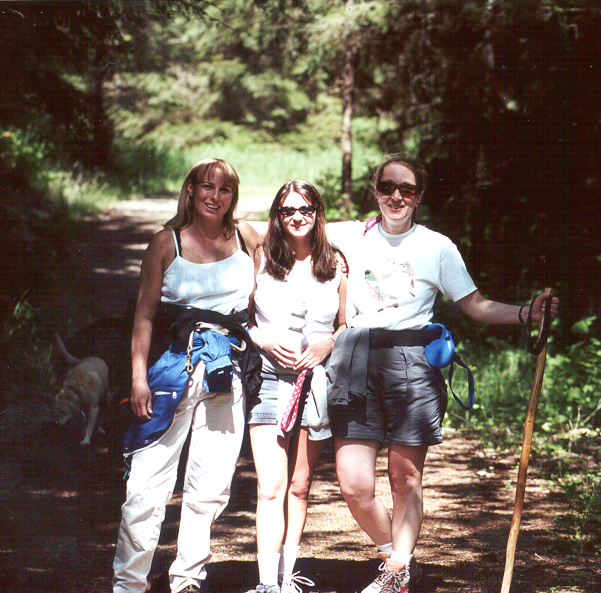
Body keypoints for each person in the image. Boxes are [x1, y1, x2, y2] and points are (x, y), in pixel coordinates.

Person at [325, 155, 559, 593]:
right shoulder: (349, 235)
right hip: (355, 357)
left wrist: (527, 314)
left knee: (404, 476)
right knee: (354, 482)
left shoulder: (437, 246)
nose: (396, 196)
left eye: (407, 189)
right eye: (388, 186)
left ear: (419, 197)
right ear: (375, 190)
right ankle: (395, 553)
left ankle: (396, 572)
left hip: (412, 362)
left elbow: (474, 304)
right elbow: (285, 228)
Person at [113, 158, 262, 593]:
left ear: (233, 197)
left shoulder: (246, 236)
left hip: (226, 370)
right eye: (207, 187)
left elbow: (302, 223)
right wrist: (138, 378)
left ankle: (187, 578)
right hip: (170, 369)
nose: (215, 197)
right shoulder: (166, 242)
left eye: (226, 190)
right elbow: (143, 316)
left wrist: (374, 224)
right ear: (191, 191)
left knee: (211, 484)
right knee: (146, 483)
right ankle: (129, 583)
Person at [245, 180, 347, 593]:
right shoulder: (262, 256)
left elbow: (345, 324)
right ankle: (267, 583)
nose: (297, 217)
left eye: (305, 208)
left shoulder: (337, 262)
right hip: (269, 377)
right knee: (270, 486)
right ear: (277, 216)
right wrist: (261, 338)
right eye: (288, 210)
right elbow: (241, 317)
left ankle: (288, 579)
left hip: (316, 380)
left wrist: (328, 343)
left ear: (318, 212)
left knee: (300, 485)